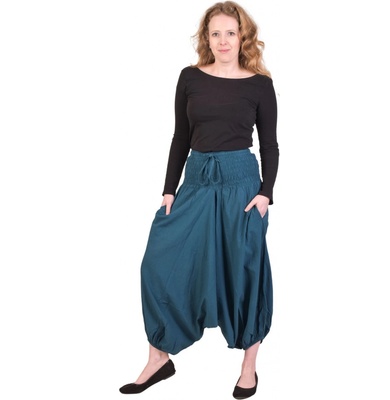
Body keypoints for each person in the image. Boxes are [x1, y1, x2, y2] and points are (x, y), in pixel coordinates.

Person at [119, 1, 279, 398]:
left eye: (230, 33)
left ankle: (249, 367)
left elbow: (270, 145)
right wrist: (168, 190)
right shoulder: (190, 78)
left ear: (242, 37)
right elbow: (180, 137)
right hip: (196, 181)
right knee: (159, 262)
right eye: (215, 34)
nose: (223, 41)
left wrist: (266, 194)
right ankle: (159, 358)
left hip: (242, 185)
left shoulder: (260, 84)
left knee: (245, 270)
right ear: (206, 38)